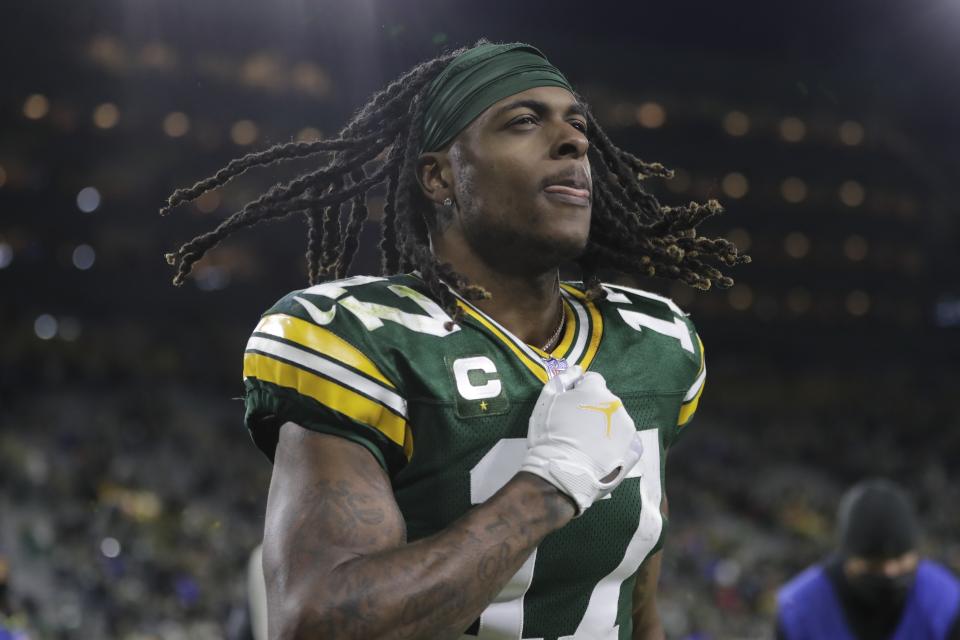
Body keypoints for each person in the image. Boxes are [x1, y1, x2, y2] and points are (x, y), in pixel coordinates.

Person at [162, 40, 747, 640]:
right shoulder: (361, 338)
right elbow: (317, 622)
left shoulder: (654, 343)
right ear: (439, 177)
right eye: (523, 121)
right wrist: (548, 487)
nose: (575, 141)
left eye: (577, 125)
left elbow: (636, 605)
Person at [777, 478, 960, 640]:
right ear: (847, 557)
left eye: (900, 560)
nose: (890, 571)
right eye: (875, 563)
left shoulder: (945, 603)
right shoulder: (800, 610)